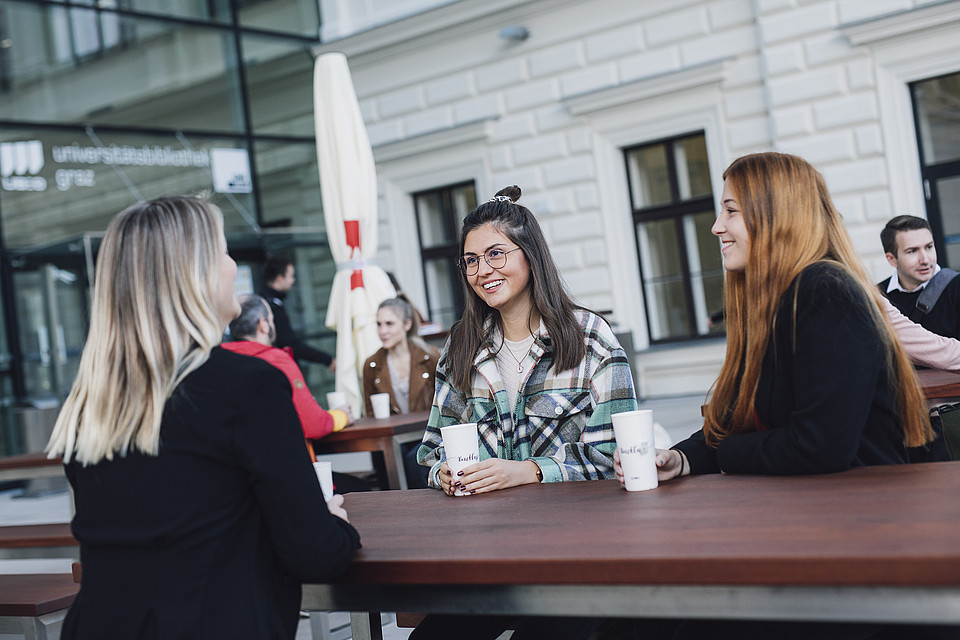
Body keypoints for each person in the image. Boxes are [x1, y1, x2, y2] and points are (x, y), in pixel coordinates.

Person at [610, 152, 935, 640]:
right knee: (640, 619)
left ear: (776, 212)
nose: (717, 227)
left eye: (731, 210)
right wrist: (682, 459)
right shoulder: (774, 301)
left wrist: (723, 456)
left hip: (870, 554)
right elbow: (736, 422)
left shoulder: (825, 291)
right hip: (812, 531)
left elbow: (818, 447)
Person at [46, 196, 360, 639]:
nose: (234, 267)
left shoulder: (89, 405)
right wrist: (334, 525)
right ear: (193, 275)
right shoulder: (247, 385)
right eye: (223, 252)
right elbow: (316, 556)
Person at [411, 185, 637, 640]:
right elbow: (432, 450)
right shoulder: (460, 346)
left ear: (529, 254)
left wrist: (530, 471)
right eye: (471, 261)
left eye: (496, 254)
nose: (482, 270)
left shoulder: (589, 337)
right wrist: (447, 475)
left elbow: (615, 456)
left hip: (579, 556)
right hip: (490, 556)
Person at [223, 294, 369, 494]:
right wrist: (341, 415)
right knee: (362, 489)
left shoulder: (221, 361)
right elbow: (314, 425)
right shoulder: (276, 359)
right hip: (289, 477)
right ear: (263, 325)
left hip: (240, 479)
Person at [363, 296, 440, 488]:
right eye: (379, 324)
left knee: (411, 461)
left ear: (407, 324)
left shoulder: (430, 357)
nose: (383, 331)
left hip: (429, 435)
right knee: (388, 463)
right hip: (393, 441)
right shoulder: (372, 365)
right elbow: (370, 413)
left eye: (389, 324)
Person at [877, 215, 960, 339]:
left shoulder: (956, 286)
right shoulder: (877, 296)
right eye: (912, 251)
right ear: (892, 259)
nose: (925, 260)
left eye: (929, 247)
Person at [261, 256, 337, 371]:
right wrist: (327, 359)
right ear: (280, 278)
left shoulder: (267, 302)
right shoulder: (272, 306)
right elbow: (290, 344)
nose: (293, 280)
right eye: (291, 276)